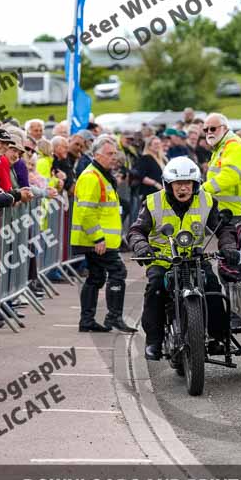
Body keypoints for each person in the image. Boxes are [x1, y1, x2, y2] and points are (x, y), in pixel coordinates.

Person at [127, 156, 237, 361]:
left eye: (187, 183)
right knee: (156, 288)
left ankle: (218, 337)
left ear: (195, 184)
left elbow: (223, 228)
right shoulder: (152, 202)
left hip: (195, 257)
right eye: (178, 184)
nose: (183, 188)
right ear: (169, 184)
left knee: (212, 286)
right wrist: (141, 246)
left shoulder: (207, 200)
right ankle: (154, 341)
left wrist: (229, 246)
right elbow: (136, 230)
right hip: (162, 259)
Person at [70, 137, 137, 333]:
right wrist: (98, 237)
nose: (113, 157)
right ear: (97, 154)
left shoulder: (101, 175)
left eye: (114, 153)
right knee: (118, 272)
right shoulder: (92, 177)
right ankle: (113, 317)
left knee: (96, 277)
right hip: (97, 240)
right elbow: (86, 211)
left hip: (98, 239)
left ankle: (87, 320)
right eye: (109, 154)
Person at [201, 113, 241, 223]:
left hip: (236, 213)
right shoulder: (221, 147)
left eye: (213, 129)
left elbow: (230, 176)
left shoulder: (234, 146)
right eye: (205, 130)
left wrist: (203, 190)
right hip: (227, 211)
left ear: (225, 128)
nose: (209, 132)